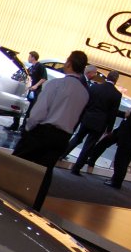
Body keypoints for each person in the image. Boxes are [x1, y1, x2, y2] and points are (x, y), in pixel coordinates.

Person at [12, 51, 90, 206]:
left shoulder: (56, 84)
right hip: (62, 138)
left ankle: (6, 196)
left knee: (17, 164)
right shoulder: (85, 93)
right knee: (44, 173)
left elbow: (39, 112)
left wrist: (28, 127)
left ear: (69, 63)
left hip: (42, 132)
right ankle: (34, 207)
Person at [82, 86, 131, 189]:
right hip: (125, 134)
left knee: (121, 160)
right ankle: (93, 160)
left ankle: (116, 181)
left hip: (128, 137)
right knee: (109, 148)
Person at [67, 70, 122, 175]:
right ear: (116, 80)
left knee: (78, 137)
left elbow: (87, 102)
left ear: (107, 77)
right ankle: (76, 168)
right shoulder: (117, 95)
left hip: (87, 118)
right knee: (89, 145)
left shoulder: (95, 87)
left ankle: (62, 154)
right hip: (100, 123)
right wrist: (109, 129)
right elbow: (113, 113)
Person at [7, 51, 47, 131]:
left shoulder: (40, 66)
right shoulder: (31, 67)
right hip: (27, 91)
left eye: (29, 57)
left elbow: (44, 78)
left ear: (33, 57)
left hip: (34, 92)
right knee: (20, 107)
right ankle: (15, 125)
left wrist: (35, 86)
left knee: (29, 111)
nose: (28, 58)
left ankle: (23, 127)